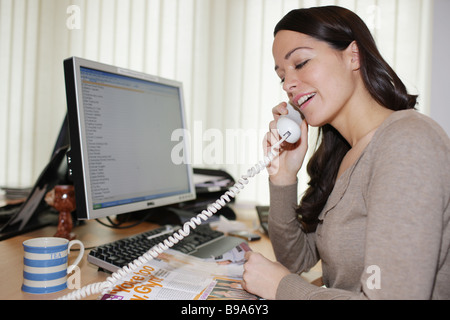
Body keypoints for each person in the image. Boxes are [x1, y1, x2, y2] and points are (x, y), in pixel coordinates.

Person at [241, 6, 450, 300]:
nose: (288, 84)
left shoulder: (408, 140)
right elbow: (295, 260)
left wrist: (282, 288)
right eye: (282, 75)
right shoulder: (345, 153)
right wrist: (283, 177)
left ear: (353, 55)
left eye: (300, 63)